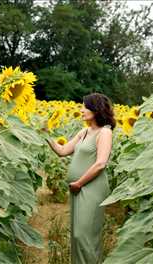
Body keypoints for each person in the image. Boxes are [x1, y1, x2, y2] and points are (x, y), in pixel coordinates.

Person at [44, 92, 115, 264]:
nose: (81, 110)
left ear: (96, 110)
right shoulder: (84, 132)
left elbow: (100, 164)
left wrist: (79, 183)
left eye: (84, 106)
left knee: (84, 235)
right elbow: (62, 151)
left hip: (91, 187)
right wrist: (45, 134)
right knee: (77, 236)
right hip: (78, 188)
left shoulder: (104, 133)